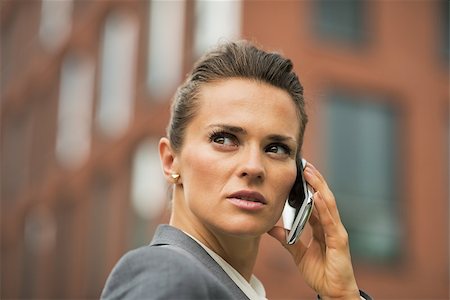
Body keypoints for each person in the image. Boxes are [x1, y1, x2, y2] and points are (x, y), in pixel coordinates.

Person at [101, 40, 372, 300]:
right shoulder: (164, 274)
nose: (253, 167)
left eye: (276, 148)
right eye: (224, 139)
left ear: (298, 179)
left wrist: (341, 297)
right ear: (171, 161)